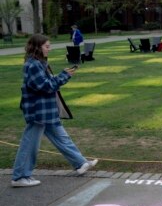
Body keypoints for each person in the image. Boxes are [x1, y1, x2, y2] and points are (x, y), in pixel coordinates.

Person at [11, 34, 97, 187]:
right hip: (39, 112)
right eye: (47, 46)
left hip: (47, 111)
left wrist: (62, 76)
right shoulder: (33, 65)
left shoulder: (39, 63)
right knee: (30, 144)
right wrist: (64, 76)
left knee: (62, 138)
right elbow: (46, 86)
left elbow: (48, 83)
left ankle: (80, 163)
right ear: (38, 47)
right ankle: (20, 177)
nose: (49, 49)